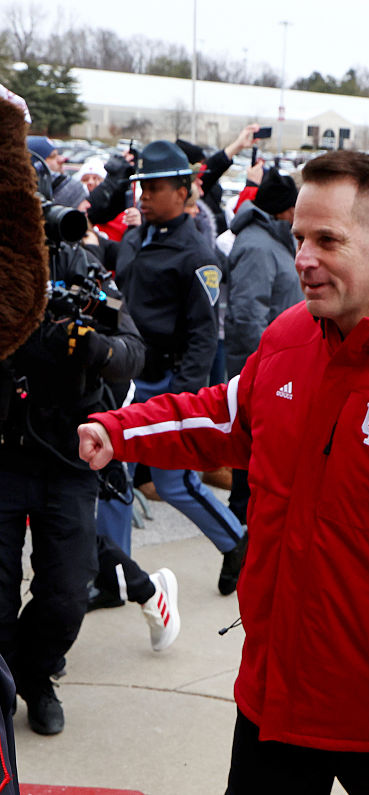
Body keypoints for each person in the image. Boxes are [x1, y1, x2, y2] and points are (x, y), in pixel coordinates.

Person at [78, 150, 369, 795]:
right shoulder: (292, 336)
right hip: (274, 696)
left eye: (327, 240)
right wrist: (117, 430)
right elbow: (224, 415)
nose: (304, 259)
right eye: (299, 237)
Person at [1, 137, 146, 735]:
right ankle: (5, 678)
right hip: (4, 453)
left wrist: (94, 346)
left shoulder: (80, 264)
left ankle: (36, 674)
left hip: (67, 455)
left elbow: (131, 352)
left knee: (65, 592)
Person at [94, 140, 248, 596]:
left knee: (174, 482)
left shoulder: (197, 254)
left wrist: (180, 401)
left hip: (163, 382)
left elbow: (204, 335)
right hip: (124, 378)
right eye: (139, 186)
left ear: (184, 191)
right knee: (114, 478)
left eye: (153, 187)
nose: (142, 196)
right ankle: (116, 575)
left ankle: (237, 542)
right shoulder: (138, 238)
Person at [223, 167, 302, 524]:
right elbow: (247, 316)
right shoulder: (258, 245)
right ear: (283, 210)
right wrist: (264, 373)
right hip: (264, 373)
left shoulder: (274, 239)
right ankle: (239, 537)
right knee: (251, 464)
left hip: (279, 370)